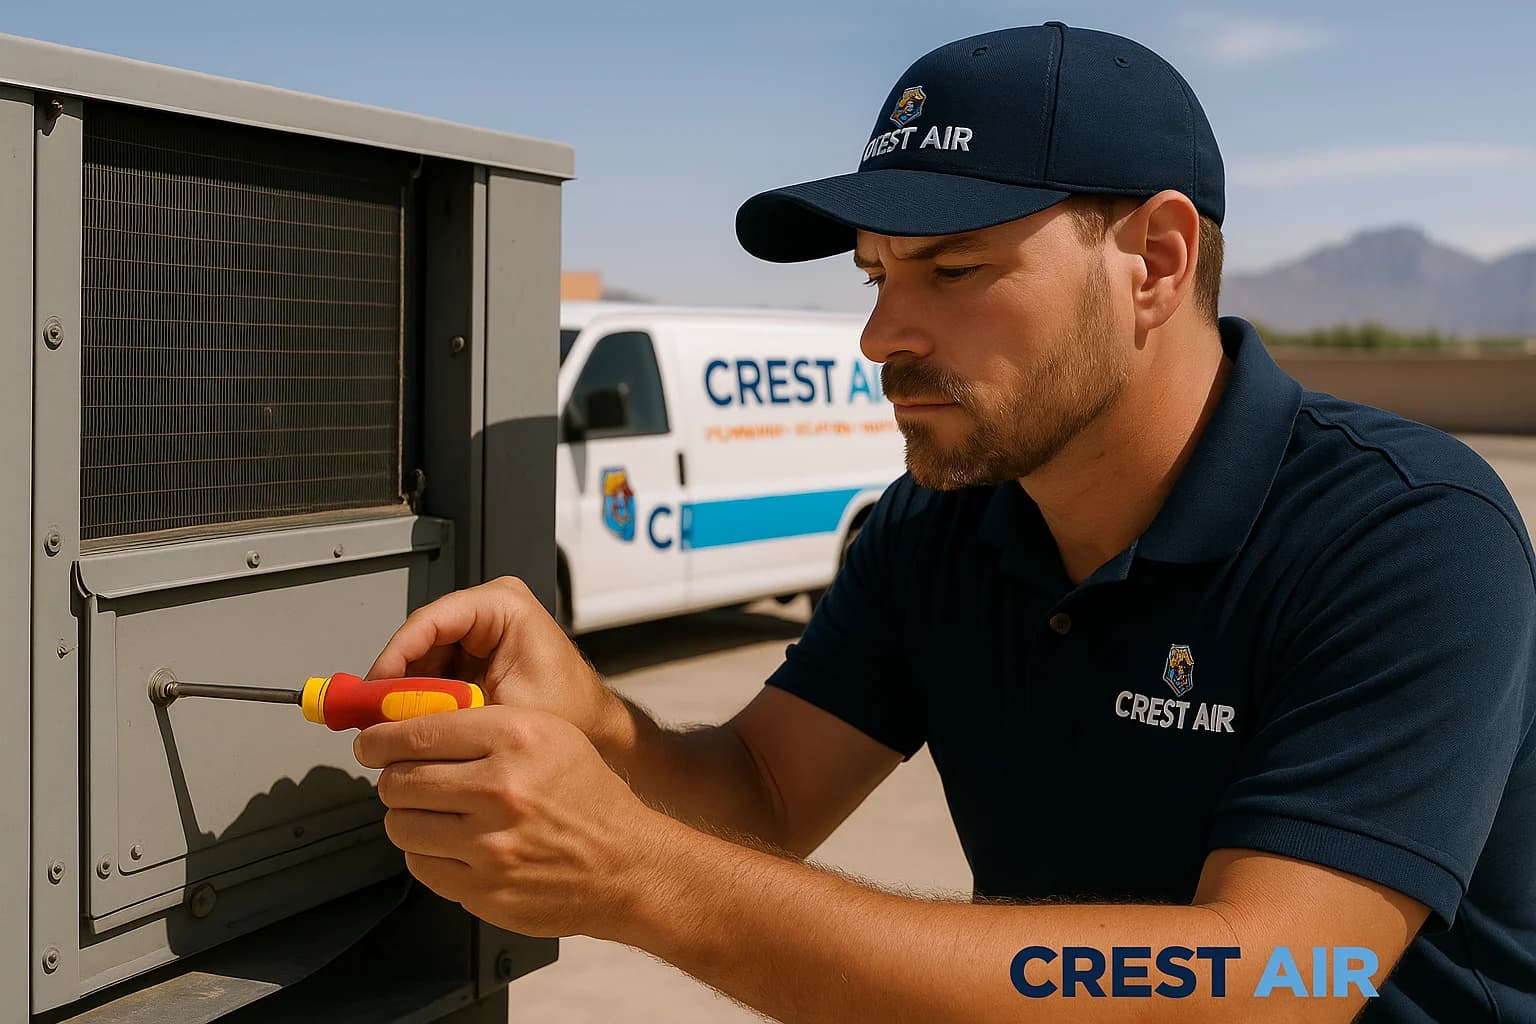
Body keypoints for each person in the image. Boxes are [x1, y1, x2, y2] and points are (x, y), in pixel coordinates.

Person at [353, 22, 1536, 1022]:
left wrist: (639, 874)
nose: (880, 337)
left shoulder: (1410, 533)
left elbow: (1279, 975)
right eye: (876, 275)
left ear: (1157, 262)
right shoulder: (942, 526)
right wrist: (598, 722)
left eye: (952, 272)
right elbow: (763, 789)